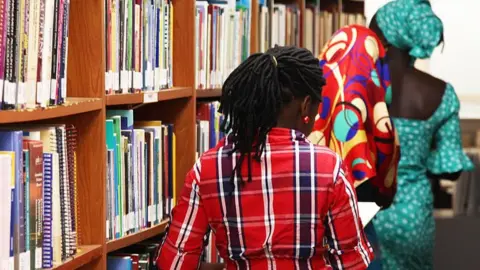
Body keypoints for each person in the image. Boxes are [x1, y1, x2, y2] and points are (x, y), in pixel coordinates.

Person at [156, 46, 373, 269]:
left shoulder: (208, 168)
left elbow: (174, 263)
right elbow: (353, 263)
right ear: (306, 105)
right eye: (317, 108)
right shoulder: (329, 168)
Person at [368, 0, 474, 269]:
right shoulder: (442, 94)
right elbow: (451, 170)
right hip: (411, 216)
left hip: (363, 212)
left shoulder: (359, 88)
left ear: (385, 39)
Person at [308, 7, 401, 270]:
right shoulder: (373, 55)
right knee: (362, 255)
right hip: (360, 179)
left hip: (315, 176)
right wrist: (386, 188)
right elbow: (384, 133)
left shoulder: (338, 46)